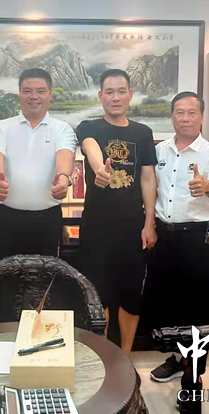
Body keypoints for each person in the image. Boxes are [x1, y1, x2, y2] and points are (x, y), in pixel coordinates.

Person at [148, 91, 209, 413]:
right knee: (168, 306)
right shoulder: (159, 151)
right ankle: (178, 357)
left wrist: (207, 187)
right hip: (163, 236)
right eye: (179, 112)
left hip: (196, 237)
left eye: (191, 112)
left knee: (197, 313)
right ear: (172, 116)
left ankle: (193, 383)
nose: (185, 118)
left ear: (201, 117)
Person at [76, 69, 158, 355]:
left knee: (131, 298)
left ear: (130, 95)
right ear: (100, 96)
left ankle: (125, 357)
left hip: (132, 228)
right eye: (109, 92)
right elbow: (90, 147)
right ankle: (101, 359)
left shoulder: (143, 133)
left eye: (121, 91)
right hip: (96, 229)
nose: (115, 97)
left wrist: (149, 222)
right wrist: (100, 169)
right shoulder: (89, 126)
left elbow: (147, 178)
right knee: (98, 297)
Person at [0, 68, 76, 260]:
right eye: (27, 91)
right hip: (6, 218)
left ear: (50, 93)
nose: (33, 96)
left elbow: (65, 156)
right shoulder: (1, 127)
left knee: (46, 274)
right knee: (5, 273)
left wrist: (63, 179)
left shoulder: (62, 129)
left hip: (47, 219)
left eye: (40, 91)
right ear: (19, 93)